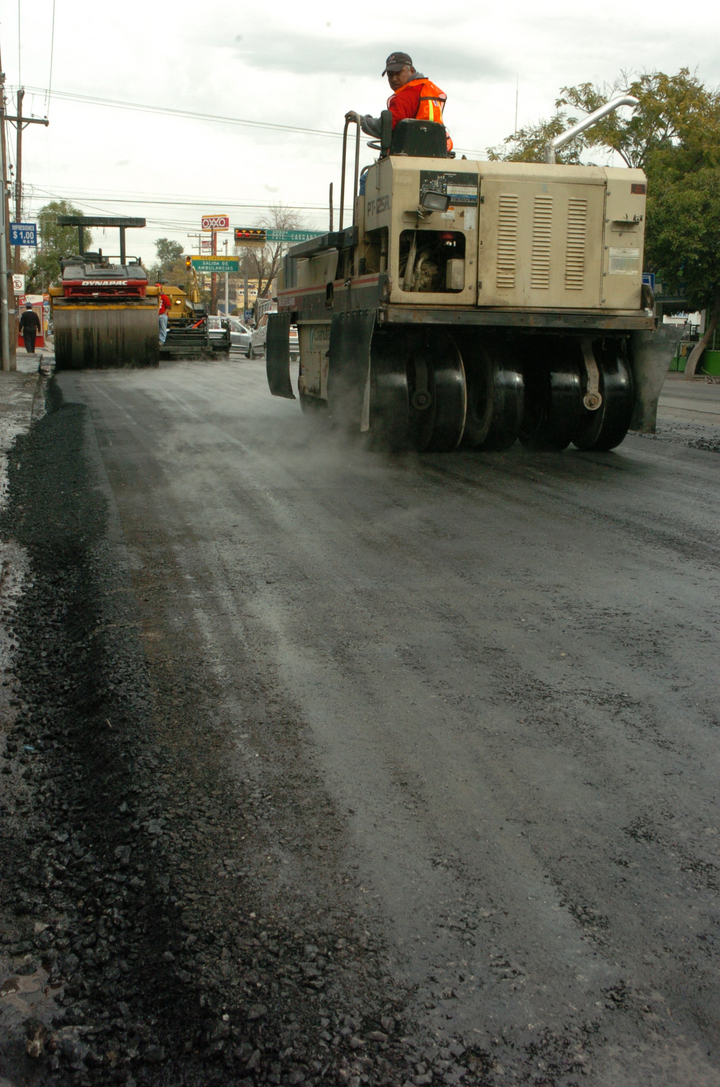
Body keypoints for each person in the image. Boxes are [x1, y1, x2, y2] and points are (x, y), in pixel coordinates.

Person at [345, 51, 452, 152]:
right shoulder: (429, 89)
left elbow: (386, 127)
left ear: (412, 70)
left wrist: (361, 120)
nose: (394, 79)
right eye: (390, 75)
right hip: (435, 152)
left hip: (409, 155)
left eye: (398, 73)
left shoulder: (405, 97)